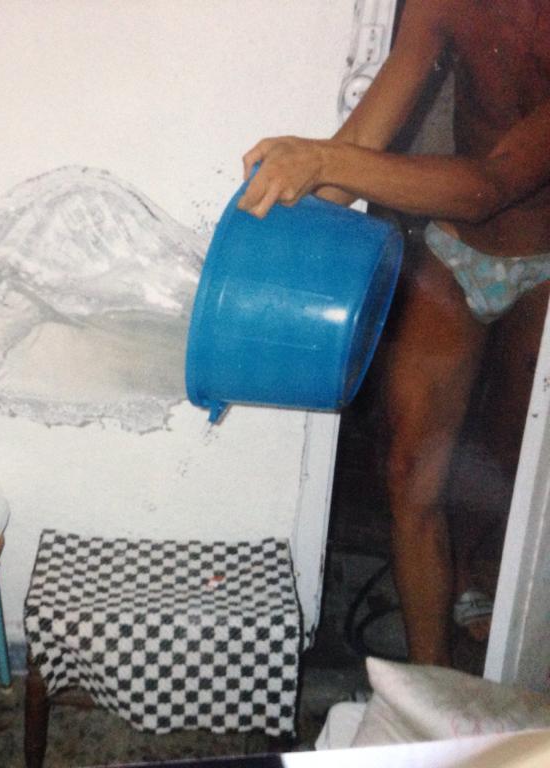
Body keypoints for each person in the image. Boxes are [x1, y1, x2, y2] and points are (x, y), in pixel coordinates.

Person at [236, 0, 550, 665]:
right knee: (411, 471)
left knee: (514, 469)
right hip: (457, 248)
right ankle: (427, 687)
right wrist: (268, 233)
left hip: (544, 264)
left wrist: (323, 162)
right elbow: (359, 142)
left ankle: (473, 572)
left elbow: (490, 186)